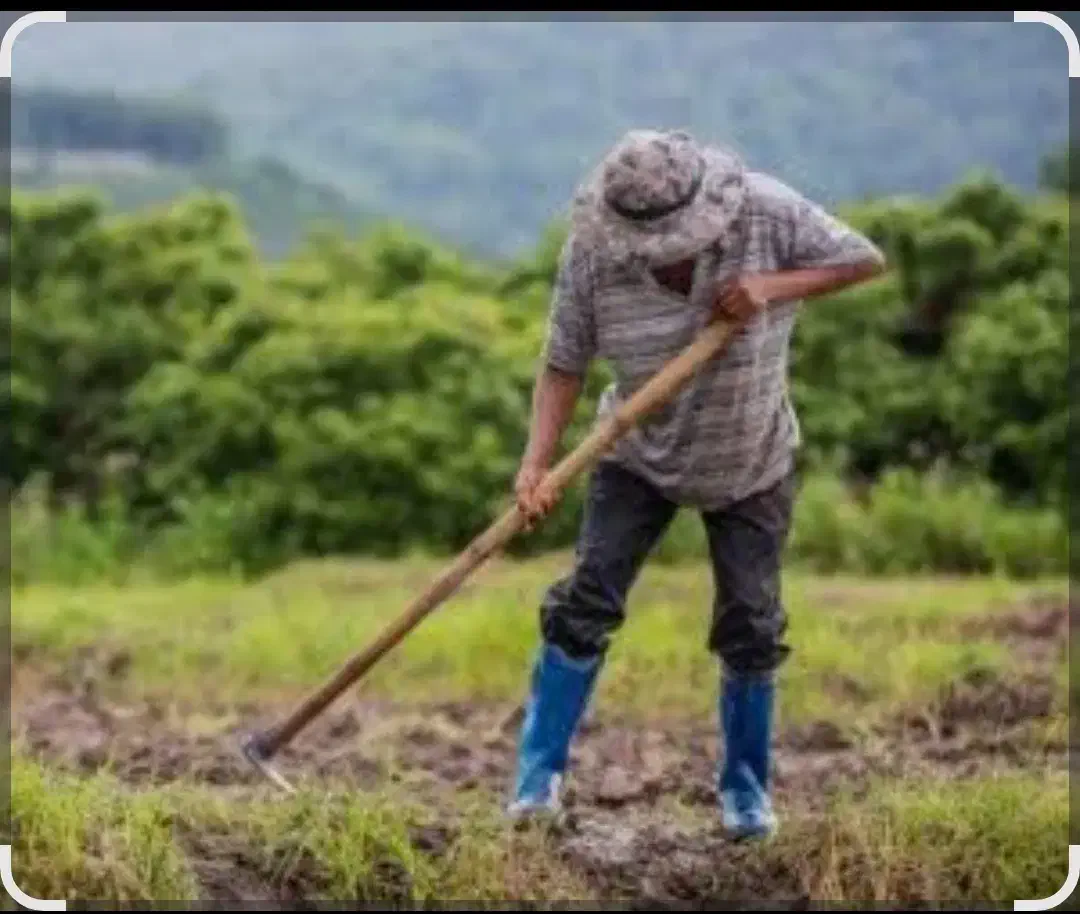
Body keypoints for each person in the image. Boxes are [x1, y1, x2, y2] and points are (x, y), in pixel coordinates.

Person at [507, 128, 887, 840]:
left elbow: (863, 258)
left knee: (751, 623)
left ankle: (746, 795)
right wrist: (537, 464)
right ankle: (537, 782)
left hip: (752, 456)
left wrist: (771, 287)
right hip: (636, 452)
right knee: (584, 603)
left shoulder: (766, 212)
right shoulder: (593, 250)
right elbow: (563, 361)